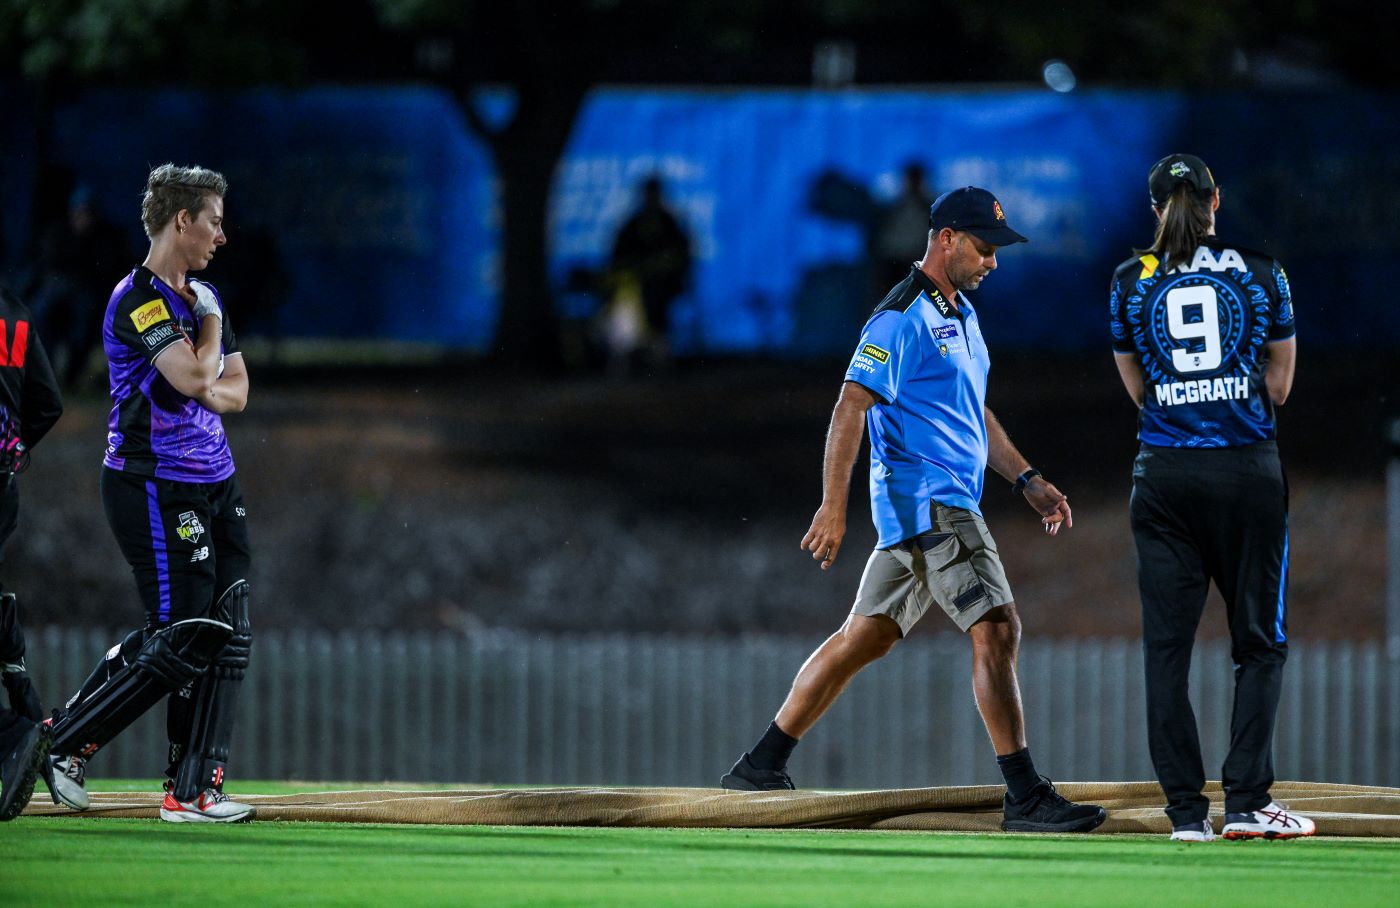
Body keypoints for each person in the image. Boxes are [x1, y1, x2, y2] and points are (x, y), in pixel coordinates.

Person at [722, 187, 1105, 834]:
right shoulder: (899, 317)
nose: (994, 263)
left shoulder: (957, 313)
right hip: (935, 505)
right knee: (998, 627)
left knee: (862, 638)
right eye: (985, 248)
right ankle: (1025, 796)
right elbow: (851, 405)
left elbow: (970, 412)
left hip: (922, 510)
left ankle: (761, 762)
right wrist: (832, 506)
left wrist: (1027, 478)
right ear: (947, 238)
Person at [1109, 153, 1311, 842]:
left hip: (1163, 477)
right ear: (1214, 200)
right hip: (1245, 473)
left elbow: (1138, 392)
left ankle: (1187, 817)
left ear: (1153, 207)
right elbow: (1279, 389)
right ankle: (1250, 803)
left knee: (1167, 651)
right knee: (1258, 643)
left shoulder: (1128, 281)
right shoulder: (1262, 272)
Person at [46, 163, 255, 824]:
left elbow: (238, 392)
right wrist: (212, 330)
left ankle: (195, 789)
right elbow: (200, 383)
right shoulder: (138, 298)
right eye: (214, 223)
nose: (221, 237)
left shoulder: (201, 292)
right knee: (184, 631)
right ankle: (60, 746)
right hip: (152, 484)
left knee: (228, 627)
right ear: (182, 220)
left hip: (216, 481)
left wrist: (210, 367)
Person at [0, 284, 63, 820]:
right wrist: (11, 451)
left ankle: (18, 736)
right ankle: (35, 732)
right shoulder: (16, 312)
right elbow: (48, 403)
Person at [29, 185, 133, 389]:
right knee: (41, 311)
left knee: (84, 319)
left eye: (87, 212)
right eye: (78, 211)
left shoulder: (105, 238)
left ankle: (72, 373)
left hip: (89, 296)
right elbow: (45, 266)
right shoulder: (58, 233)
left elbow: (111, 271)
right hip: (60, 291)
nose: (82, 217)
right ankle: (44, 376)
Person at [608, 175, 692, 361]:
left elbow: (681, 256)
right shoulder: (634, 223)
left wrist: (659, 267)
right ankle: (628, 349)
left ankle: (657, 349)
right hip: (635, 286)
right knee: (626, 297)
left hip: (665, 285)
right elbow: (618, 255)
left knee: (656, 296)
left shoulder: (670, 223)